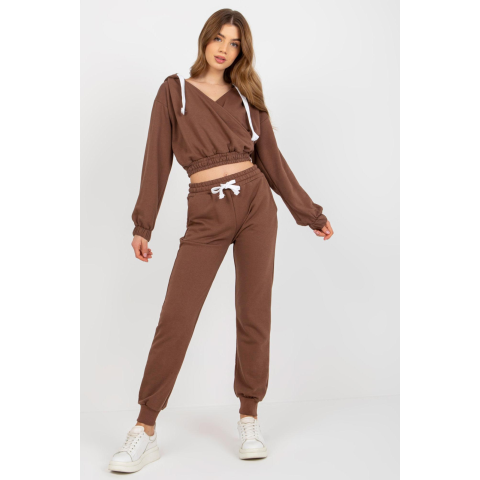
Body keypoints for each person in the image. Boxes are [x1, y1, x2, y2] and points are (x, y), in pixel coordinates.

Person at [108, 8, 334, 473]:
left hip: (256, 206)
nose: (224, 49)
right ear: (205, 39)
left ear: (241, 51)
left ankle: (249, 417)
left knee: (254, 313)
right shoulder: (174, 91)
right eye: (219, 38)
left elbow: (272, 160)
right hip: (205, 211)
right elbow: (156, 159)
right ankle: (145, 429)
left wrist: (308, 213)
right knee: (176, 317)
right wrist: (143, 225)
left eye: (234, 43)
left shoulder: (248, 97)